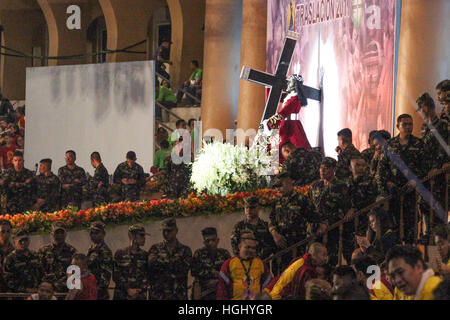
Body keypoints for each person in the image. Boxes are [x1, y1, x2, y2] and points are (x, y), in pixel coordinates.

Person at [376, 114, 427, 243]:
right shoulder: (389, 145)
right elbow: (381, 169)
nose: (408, 127)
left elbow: (425, 166)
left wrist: (415, 181)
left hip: (412, 193)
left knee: (411, 227)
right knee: (394, 227)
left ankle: (409, 256)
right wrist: (388, 184)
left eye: (410, 124)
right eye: (405, 124)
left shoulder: (419, 144)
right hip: (394, 193)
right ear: (398, 126)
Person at [270, 172, 322, 270]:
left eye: (280, 185)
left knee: (297, 271)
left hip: (298, 244)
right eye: (276, 186)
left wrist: (310, 236)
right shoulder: (276, 201)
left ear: (290, 183)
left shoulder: (301, 199)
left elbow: (315, 218)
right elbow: (271, 221)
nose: (278, 189)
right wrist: (275, 235)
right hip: (280, 245)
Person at [308, 157, 352, 266]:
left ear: (333, 169)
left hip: (333, 230)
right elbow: (309, 206)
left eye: (326, 168)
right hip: (315, 229)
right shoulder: (315, 186)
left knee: (330, 260)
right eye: (321, 168)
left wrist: (327, 223)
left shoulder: (341, 186)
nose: (322, 171)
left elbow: (345, 209)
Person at [217, 234, 272, 300]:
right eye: (247, 247)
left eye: (253, 248)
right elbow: (222, 290)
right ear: (240, 247)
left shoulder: (260, 264)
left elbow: (269, 286)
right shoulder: (229, 263)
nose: (251, 250)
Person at [148, 218, 192, 300]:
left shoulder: (185, 250)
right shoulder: (155, 249)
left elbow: (183, 269)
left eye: (169, 231)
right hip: (158, 295)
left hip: (178, 295)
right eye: (164, 231)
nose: (165, 233)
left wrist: (162, 264)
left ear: (176, 231)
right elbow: (151, 268)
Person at [191, 227, 231, 300]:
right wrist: (213, 273)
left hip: (221, 290)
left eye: (213, 240)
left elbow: (229, 275)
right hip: (204, 291)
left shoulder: (224, 254)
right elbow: (194, 272)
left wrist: (218, 279)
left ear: (218, 240)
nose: (211, 243)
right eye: (207, 241)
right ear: (204, 242)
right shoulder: (199, 254)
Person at [38, 222, 77, 293]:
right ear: (52, 234)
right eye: (57, 233)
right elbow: (39, 271)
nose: (59, 235)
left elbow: (74, 273)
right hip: (47, 291)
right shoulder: (43, 251)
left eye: (62, 233)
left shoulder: (72, 251)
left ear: (66, 234)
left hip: (66, 291)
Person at [231, 196, 275, 260]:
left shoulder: (265, 226)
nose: (249, 210)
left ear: (259, 208)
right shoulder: (239, 226)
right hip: (244, 262)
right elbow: (234, 246)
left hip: (263, 262)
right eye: (246, 208)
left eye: (252, 207)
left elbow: (271, 246)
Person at [113, 224, 150, 300]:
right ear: (132, 236)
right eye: (141, 235)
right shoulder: (120, 253)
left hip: (139, 295)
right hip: (122, 295)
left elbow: (147, 275)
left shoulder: (145, 255)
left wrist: (139, 290)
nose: (144, 238)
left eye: (144, 236)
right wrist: (128, 289)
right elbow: (116, 275)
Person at [344, 156, 378, 232]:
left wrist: (354, 208)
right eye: (357, 165)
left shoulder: (370, 181)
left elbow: (371, 199)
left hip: (365, 217)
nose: (361, 167)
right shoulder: (346, 182)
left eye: (363, 165)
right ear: (350, 167)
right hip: (349, 219)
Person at [3, 228, 41, 294]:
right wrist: (25, 290)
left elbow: (41, 273)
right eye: (20, 241)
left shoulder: (35, 255)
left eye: (25, 240)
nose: (23, 243)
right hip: (18, 295)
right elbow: (8, 280)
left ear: (29, 241)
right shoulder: (10, 258)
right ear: (14, 242)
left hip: (36, 293)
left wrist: (40, 288)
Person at [87, 221, 113, 300]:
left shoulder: (105, 251)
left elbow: (106, 275)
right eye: (92, 233)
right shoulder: (91, 249)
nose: (93, 235)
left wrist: (97, 290)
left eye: (97, 233)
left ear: (103, 234)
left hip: (99, 293)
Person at [0, 220, 14, 292]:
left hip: (11, 286)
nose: (5, 234)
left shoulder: (14, 251)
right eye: (2, 231)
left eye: (8, 231)